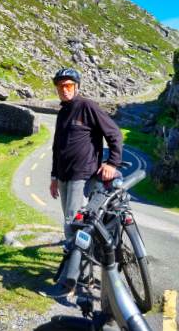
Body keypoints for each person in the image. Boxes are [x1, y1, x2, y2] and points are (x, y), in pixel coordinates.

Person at [49, 68, 123, 240]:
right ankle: (77, 256)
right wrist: (54, 177)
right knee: (71, 219)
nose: (64, 89)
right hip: (63, 176)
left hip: (81, 175)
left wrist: (112, 163)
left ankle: (72, 262)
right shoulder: (63, 112)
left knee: (72, 221)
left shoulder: (87, 106)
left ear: (76, 86)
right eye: (60, 86)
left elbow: (114, 134)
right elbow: (57, 147)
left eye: (68, 85)